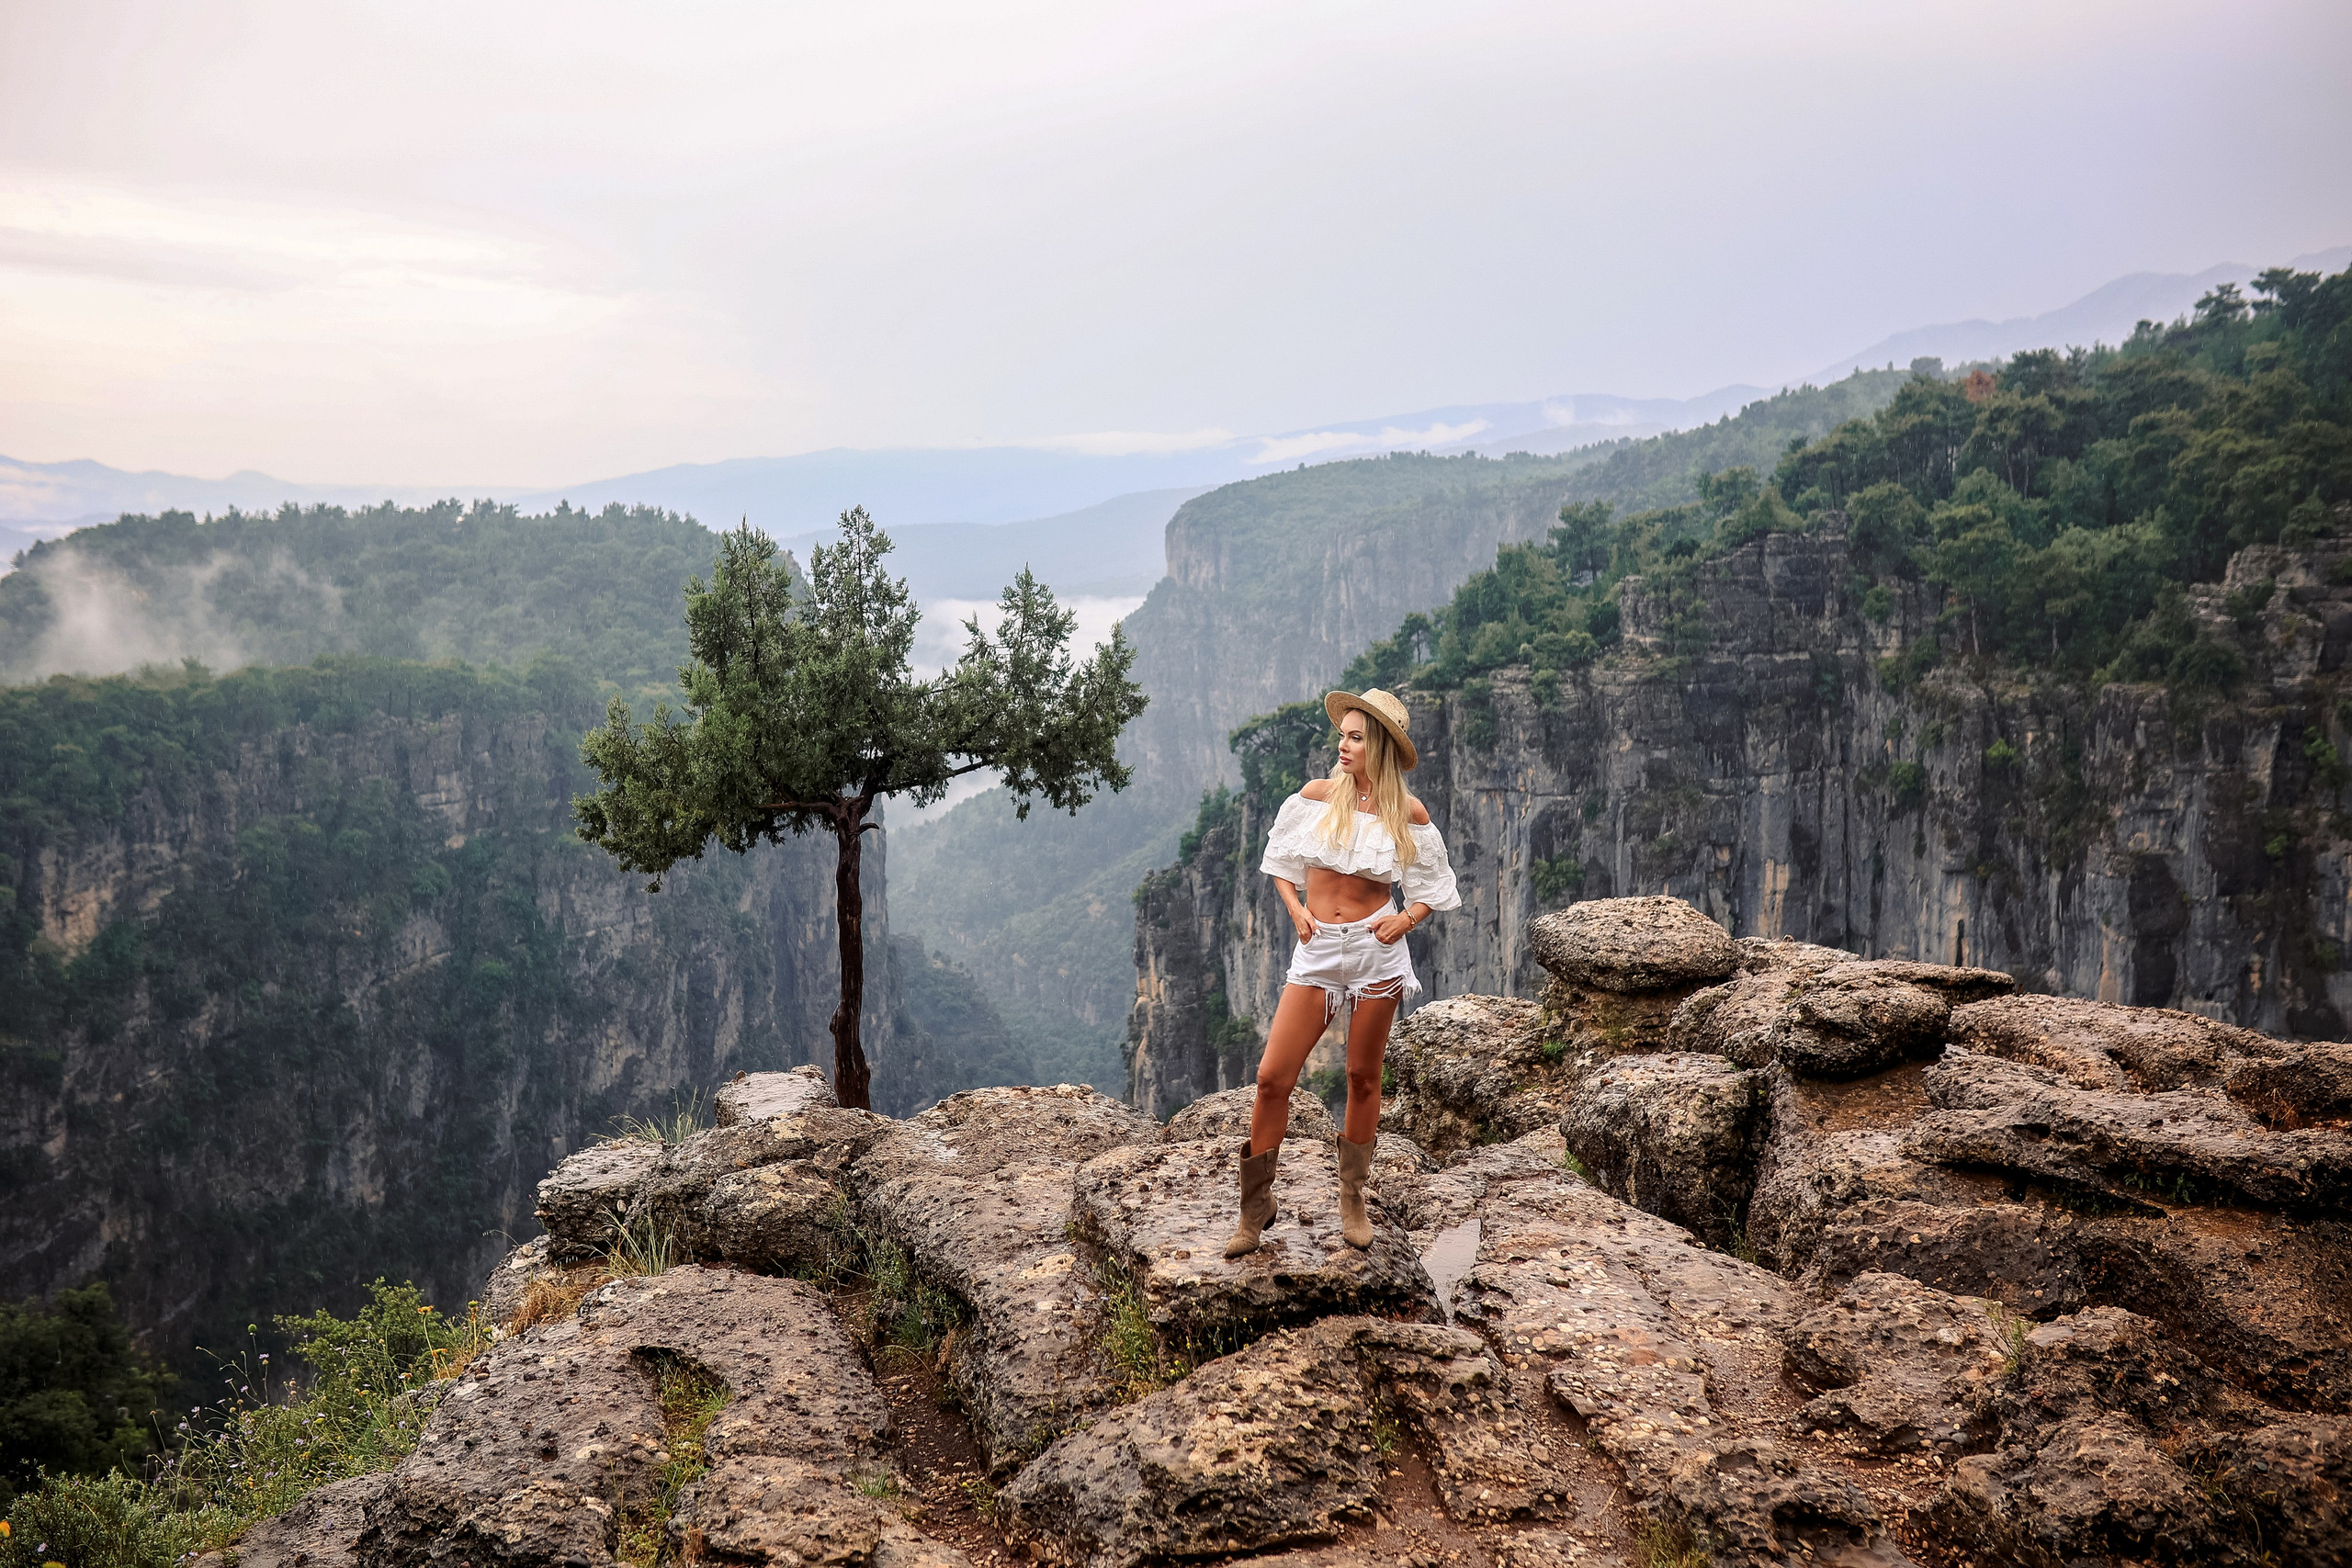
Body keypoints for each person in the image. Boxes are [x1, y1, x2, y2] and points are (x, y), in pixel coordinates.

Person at [1227, 687, 1459, 1257]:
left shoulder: (1408, 813)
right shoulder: (1315, 798)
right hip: (1318, 950)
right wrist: (1297, 910)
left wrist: (1403, 922)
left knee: (1362, 1076)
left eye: (1356, 736)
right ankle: (1254, 1208)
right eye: (1343, 735)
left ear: (1377, 744)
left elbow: (1433, 890)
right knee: (1272, 1077)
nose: (1343, 744)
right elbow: (1281, 864)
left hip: (1376, 951)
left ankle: (1352, 1196)